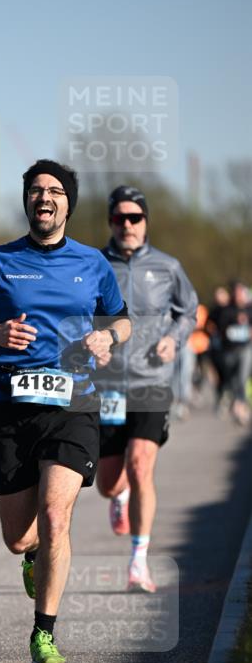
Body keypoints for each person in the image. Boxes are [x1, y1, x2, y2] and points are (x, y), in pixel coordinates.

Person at [0, 160, 131, 663]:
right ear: (26, 201)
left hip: (73, 404)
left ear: (68, 204)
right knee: (19, 536)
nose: (44, 198)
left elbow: (121, 320)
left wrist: (106, 337)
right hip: (9, 409)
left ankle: (43, 634)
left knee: (56, 515)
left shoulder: (92, 263)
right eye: (35, 191)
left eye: (54, 191)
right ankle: (32, 556)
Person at [94, 186, 197, 593]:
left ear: (145, 221)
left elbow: (188, 310)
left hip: (152, 381)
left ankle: (139, 562)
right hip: (107, 385)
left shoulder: (168, 267)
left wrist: (175, 338)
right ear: (110, 222)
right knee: (109, 483)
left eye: (134, 217)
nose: (127, 225)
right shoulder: (95, 264)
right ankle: (119, 499)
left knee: (141, 465)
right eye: (119, 218)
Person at [209, 280, 252, 425]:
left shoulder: (249, 309)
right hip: (228, 351)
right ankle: (234, 402)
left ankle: (241, 406)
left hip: (245, 349)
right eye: (237, 293)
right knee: (232, 380)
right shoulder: (227, 310)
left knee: (242, 377)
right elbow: (219, 329)